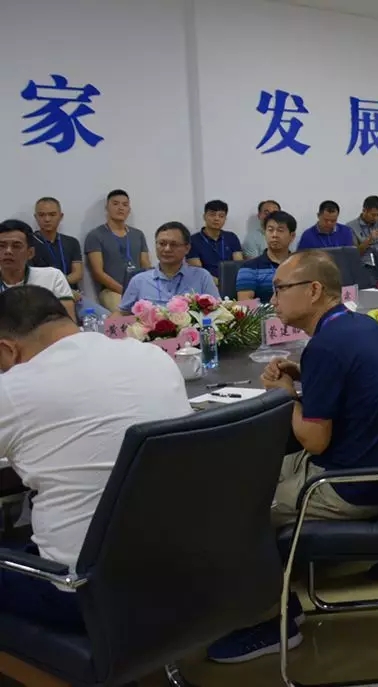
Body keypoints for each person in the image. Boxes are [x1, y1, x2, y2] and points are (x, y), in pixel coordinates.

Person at [207, 250, 378, 663]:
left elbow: (315, 440)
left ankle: (272, 623)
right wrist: (305, 377)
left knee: (233, 513)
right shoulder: (360, 326)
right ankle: (276, 594)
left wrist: (286, 396)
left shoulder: (326, 346)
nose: (273, 299)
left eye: (280, 289)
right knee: (240, 475)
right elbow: (352, 380)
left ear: (314, 290)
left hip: (346, 486)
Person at [0, 285, 191, 632]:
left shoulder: (14, 388)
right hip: (184, 573)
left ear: (7, 349)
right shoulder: (150, 355)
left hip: (84, 594)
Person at [31, 197, 107, 318]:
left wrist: (64, 288)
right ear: (36, 217)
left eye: (52, 214)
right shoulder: (29, 244)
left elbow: (78, 274)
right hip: (42, 298)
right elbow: (32, 279)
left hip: (73, 296)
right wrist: (61, 289)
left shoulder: (71, 242)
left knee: (106, 317)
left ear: (61, 216)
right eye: (42, 215)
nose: (47, 219)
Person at [119, 222, 219, 313]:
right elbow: (122, 314)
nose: (167, 249)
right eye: (162, 244)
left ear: (187, 248)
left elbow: (217, 312)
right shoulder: (139, 281)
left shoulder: (202, 277)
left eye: (173, 244)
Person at [84, 189, 151, 311]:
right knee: (124, 312)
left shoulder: (138, 234)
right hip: (111, 291)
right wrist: (125, 291)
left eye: (125, 205)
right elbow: (98, 273)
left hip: (139, 289)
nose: (120, 208)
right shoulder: (95, 235)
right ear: (107, 207)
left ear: (129, 210)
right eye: (115, 204)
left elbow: (146, 265)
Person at [0, 220, 76, 322]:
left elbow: (68, 323)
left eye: (16, 246)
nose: (8, 251)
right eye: (2, 246)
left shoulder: (53, 277)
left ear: (30, 253)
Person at [236, 210, 296, 303]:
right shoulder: (249, 267)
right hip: (262, 312)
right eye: (270, 230)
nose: (274, 235)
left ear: (292, 236)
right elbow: (245, 304)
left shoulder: (300, 266)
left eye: (280, 230)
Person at [187, 199, 244, 280]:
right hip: (206, 283)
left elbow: (238, 265)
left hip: (232, 281)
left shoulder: (231, 237)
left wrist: (229, 282)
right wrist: (221, 282)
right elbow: (198, 272)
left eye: (221, 216)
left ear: (225, 219)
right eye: (212, 215)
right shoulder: (193, 240)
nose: (216, 218)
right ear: (204, 216)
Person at [346, 195, 378, 266]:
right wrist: (370, 239)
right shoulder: (350, 226)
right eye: (373, 215)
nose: (376, 218)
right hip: (364, 264)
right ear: (364, 211)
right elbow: (355, 254)